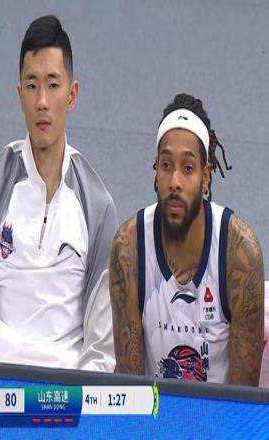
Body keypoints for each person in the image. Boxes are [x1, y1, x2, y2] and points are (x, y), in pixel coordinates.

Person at [0, 15, 118, 370]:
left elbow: (100, 348)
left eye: (53, 85)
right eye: (32, 86)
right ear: (20, 95)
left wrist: (72, 400)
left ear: (72, 95)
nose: (42, 101)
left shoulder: (98, 205)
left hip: (66, 396)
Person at [109, 93, 264, 385]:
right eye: (166, 166)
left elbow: (242, 399)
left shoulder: (239, 252)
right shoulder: (129, 248)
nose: (175, 182)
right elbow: (131, 390)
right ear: (155, 170)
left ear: (206, 177)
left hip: (219, 413)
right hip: (155, 411)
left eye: (188, 168)